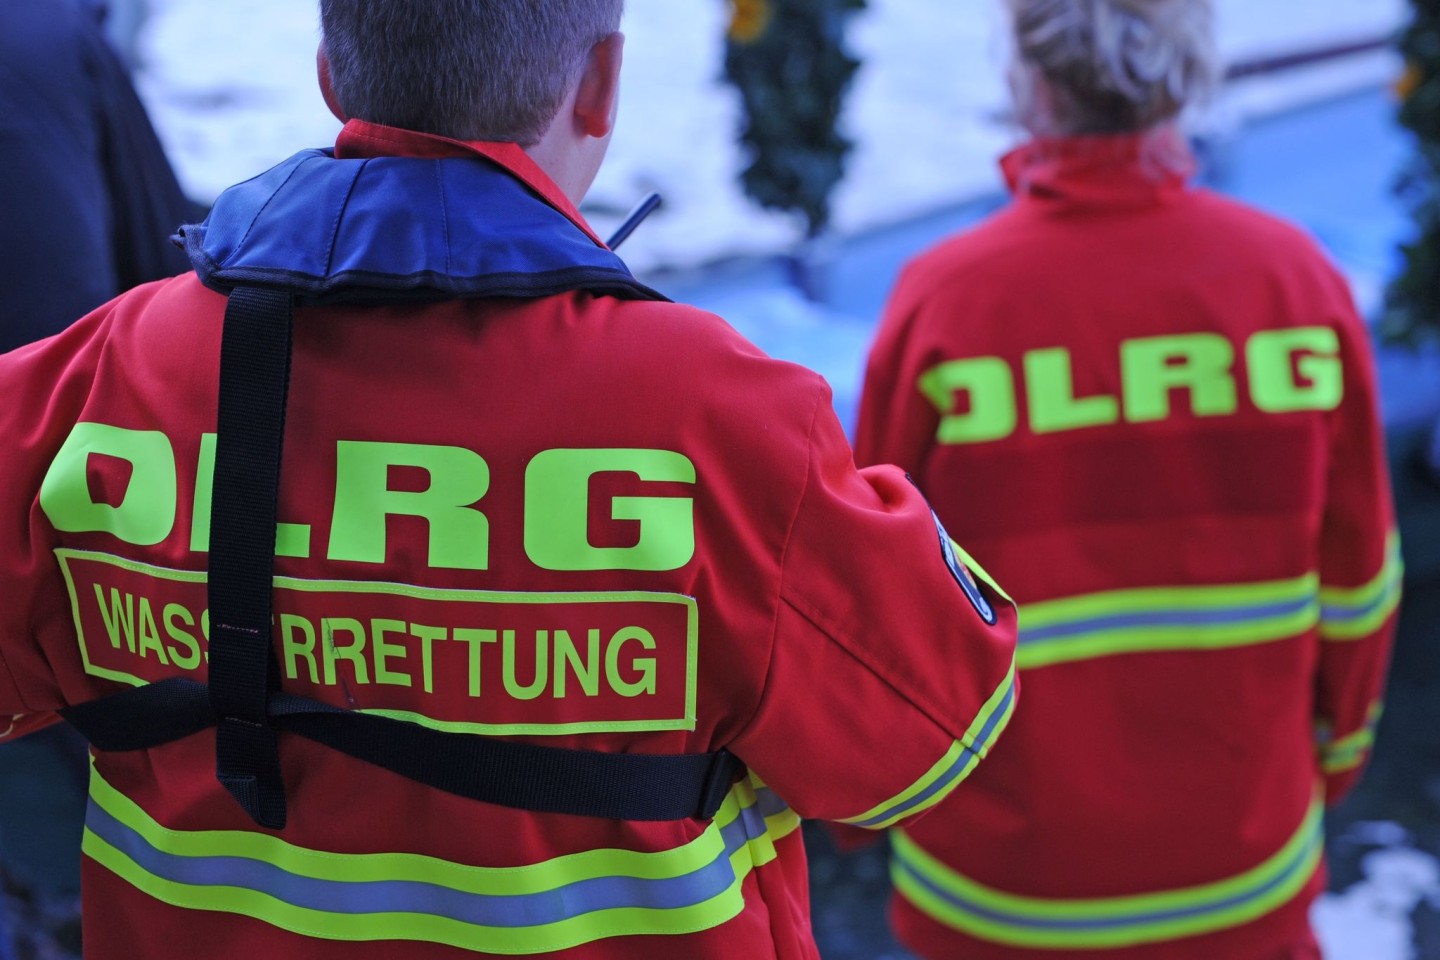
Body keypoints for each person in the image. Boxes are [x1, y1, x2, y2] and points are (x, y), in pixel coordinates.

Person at [0, 2, 1020, 958]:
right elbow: (929, 731)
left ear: (329, 75)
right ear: (601, 85)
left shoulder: (95, 383)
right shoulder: (723, 424)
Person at [855, 1, 1400, 958]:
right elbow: (1358, 582)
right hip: (1245, 874)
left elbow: (870, 598)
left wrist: (870, 798)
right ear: (1188, 69)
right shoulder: (1293, 285)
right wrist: (1335, 756)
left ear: (1029, 78)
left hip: (996, 893)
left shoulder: (948, 303)